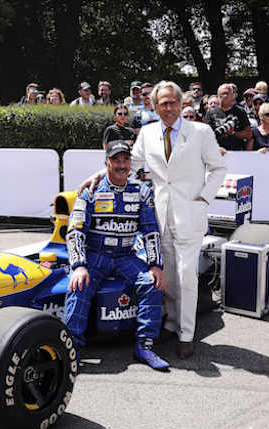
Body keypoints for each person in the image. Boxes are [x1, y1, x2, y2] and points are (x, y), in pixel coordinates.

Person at [81, 81, 227, 359]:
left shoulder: (200, 131)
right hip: (159, 215)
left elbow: (218, 168)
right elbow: (128, 164)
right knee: (166, 273)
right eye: (162, 103)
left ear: (182, 103)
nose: (168, 108)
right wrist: (98, 176)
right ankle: (170, 324)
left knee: (186, 276)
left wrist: (204, 198)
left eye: (172, 102)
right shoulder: (147, 133)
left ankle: (186, 333)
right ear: (154, 106)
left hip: (190, 213)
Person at [64, 140, 168, 370]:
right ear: (107, 163)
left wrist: (155, 265)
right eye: (116, 160)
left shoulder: (142, 191)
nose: (122, 165)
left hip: (125, 256)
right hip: (95, 256)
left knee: (152, 283)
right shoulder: (89, 192)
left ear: (130, 162)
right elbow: (75, 231)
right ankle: (72, 350)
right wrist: (79, 265)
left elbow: (150, 229)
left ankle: (145, 346)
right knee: (79, 285)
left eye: (125, 160)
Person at [205, 83, 252, 151]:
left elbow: (249, 134)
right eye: (225, 93)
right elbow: (206, 136)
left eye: (230, 93)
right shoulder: (210, 113)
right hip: (217, 153)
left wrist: (233, 133)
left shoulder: (240, 112)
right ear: (218, 96)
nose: (228, 96)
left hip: (236, 153)